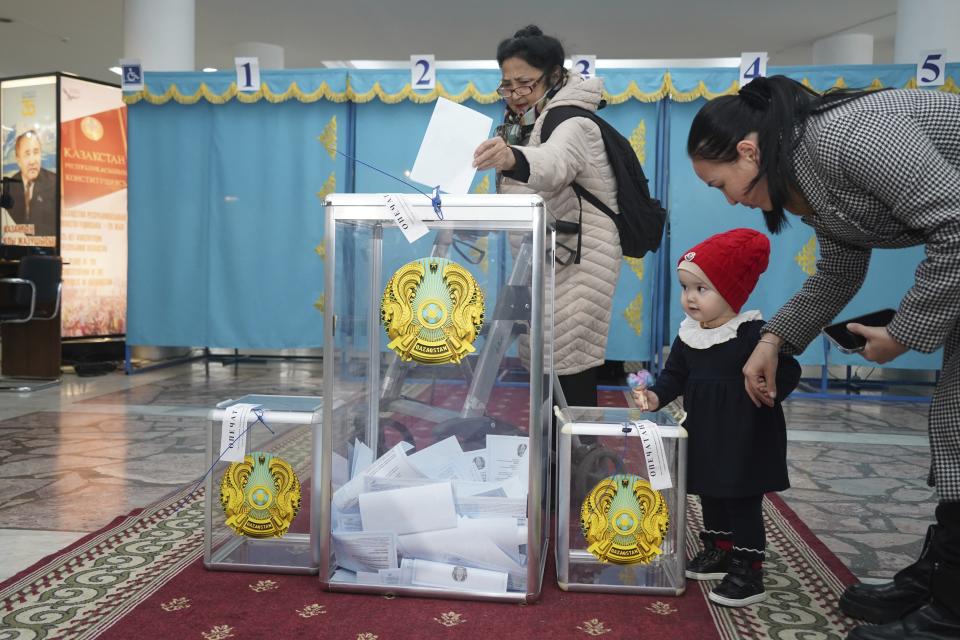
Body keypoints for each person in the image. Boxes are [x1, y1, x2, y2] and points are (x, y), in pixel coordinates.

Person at [687, 74, 960, 639]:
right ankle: (945, 577)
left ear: (748, 151)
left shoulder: (847, 138)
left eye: (722, 185)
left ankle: (951, 611)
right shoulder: (806, 171)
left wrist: (905, 332)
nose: (732, 201)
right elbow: (837, 271)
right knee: (954, 425)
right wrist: (773, 340)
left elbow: (955, 224)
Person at [632, 228, 801, 607]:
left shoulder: (753, 334)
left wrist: (767, 391)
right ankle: (719, 547)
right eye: (685, 287)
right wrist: (656, 395)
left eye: (701, 289)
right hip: (706, 431)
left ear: (731, 291)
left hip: (745, 435)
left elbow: (786, 370)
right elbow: (675, 374)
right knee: (710, 490)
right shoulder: (689, 335)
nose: (690, 298)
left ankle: (748, 567)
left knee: (742, 499)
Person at [472, 25, 621, 409]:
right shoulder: (531, 121)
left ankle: (573, 455)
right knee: (550, 360)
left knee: (567, 364)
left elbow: (554, 165)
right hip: (554, 258)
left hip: (579, 262)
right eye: (507, 84)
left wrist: (512, 157)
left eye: (526, 83)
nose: (516, 94)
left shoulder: (571, 121)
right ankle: (555, 454)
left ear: (554, 76)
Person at [3, 130, 57, 239]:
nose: (33, 161)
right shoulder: (9, 186)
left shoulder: (54, 183)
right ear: (18, 159)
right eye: (27, 154)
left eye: (36, 152)